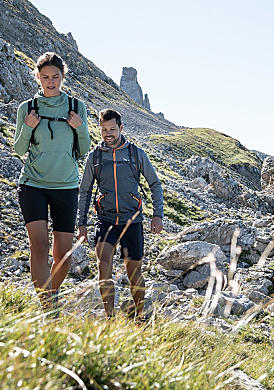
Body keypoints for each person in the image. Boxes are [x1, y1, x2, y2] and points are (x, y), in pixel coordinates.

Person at [14, 52, 91, 309]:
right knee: (38, 245)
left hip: (66, 187)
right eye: (45, 77)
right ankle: (48, 308)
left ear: (63, 77)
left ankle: (50, 296)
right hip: (33, 185)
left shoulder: (76, 107)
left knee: (64, 256)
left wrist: (79, 127)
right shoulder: (27, 108)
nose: (50, 82)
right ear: (37, 77)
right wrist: (28, 126)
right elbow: (18, 149)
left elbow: (83, 149)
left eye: (55, 77)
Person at [77, 108, 163, 320]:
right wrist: (82, 223)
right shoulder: (94, 157)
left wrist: (157, 215)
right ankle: (109, 318)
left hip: (132, 221)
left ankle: (141, 317)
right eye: (104, 129)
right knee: (103, 264)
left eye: (112, 129)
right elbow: (85, 191)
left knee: (134, 273)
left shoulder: (135, 154)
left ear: (121, 128)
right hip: (105, 220)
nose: (108, 134)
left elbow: (155, 184)